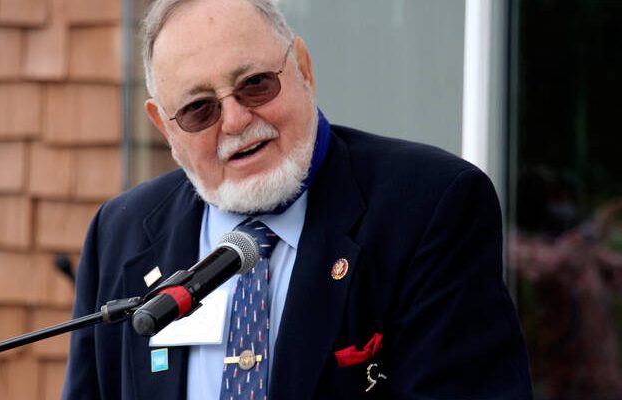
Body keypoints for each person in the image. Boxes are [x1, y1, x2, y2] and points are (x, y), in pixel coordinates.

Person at [62, 0, 532, 398]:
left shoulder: (431, 207)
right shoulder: (120, 232)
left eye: (255, 84)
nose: (236, 121)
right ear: (165, 128)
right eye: (199, 109)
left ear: (303, 68)